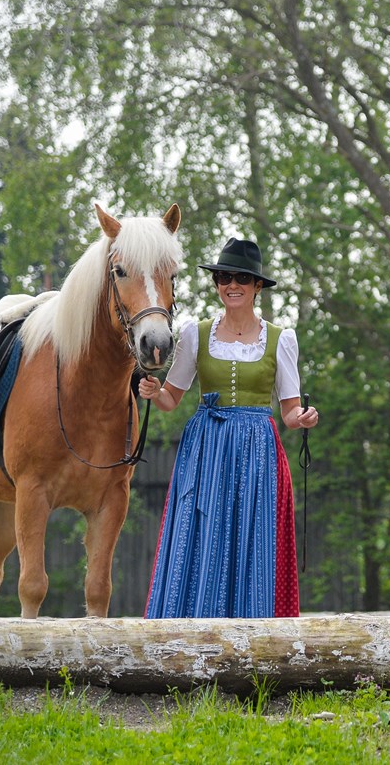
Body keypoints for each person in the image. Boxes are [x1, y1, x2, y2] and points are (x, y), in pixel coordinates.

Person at [140, 237, 319, 618]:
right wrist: (155, 391)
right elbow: (172, 400)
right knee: (202, 534)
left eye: (241, 278)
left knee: (254, 538)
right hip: (207, 448)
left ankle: (258, 639)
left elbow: (288, 412)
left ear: (257, 286)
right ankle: (188, 634)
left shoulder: (281, 339)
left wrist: (302, 418)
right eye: (224, 277)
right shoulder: (194, 333)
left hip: (258, 450)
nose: (231, 285)